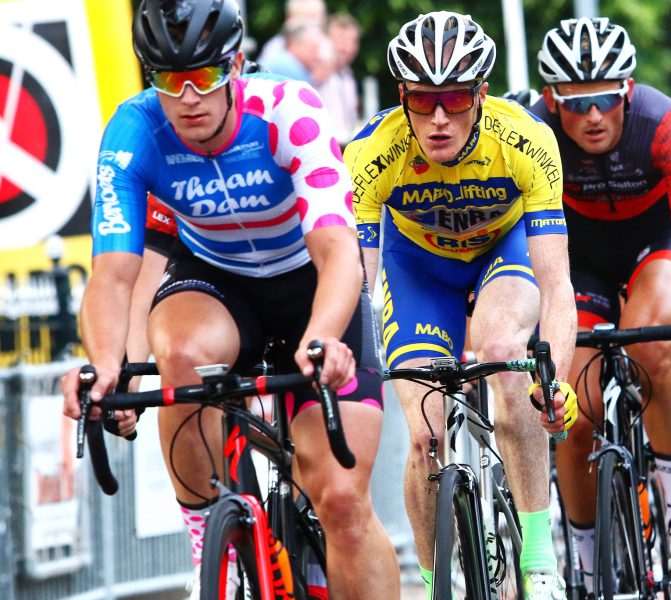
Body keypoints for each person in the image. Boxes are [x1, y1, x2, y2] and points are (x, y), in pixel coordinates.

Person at [59, 1, 400, 599]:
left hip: (309, 285)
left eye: (204, 75)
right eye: (169, 79)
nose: (188, 96)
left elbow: (337, 252)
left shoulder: (288, 110)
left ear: (236, 66)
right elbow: (112, 276)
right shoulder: (134, 131)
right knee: (181, 353)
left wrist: (322, 336)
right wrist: (108, 366)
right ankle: (211, 552)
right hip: (218, 281)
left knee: (343, 500)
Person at [344, 11, 577, 599]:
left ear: (481, 94)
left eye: (454, 98)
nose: (440, 117)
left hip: (503, 252)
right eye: (423, 101)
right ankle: (433, 582)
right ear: (403, 97)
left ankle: (538, 559)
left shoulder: (526, 139)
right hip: (418, 269)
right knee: (425, 436)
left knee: (502, 350)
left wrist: (556, 381)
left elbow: (556, 284)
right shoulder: (371, 151)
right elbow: (358, 283)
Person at [531, 16, 671, 592]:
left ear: (629, 92)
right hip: (578, 261)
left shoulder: (666, 125)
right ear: (551, 100)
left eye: (607, 99)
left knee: (656, 346)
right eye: (576, 102)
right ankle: (588, 560)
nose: (593, 115)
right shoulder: (533, 131)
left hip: (653, 247)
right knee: (575, 411)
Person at [317, 13, 362, 143]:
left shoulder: (347, 74)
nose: (346, 47)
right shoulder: (316, 70)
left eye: (352, 41)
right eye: (340, 40)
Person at [259, 20, 332, 85]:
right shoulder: (288, 65)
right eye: (313, 48)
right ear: (295, 44)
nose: (317, 55)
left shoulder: (280, 58)